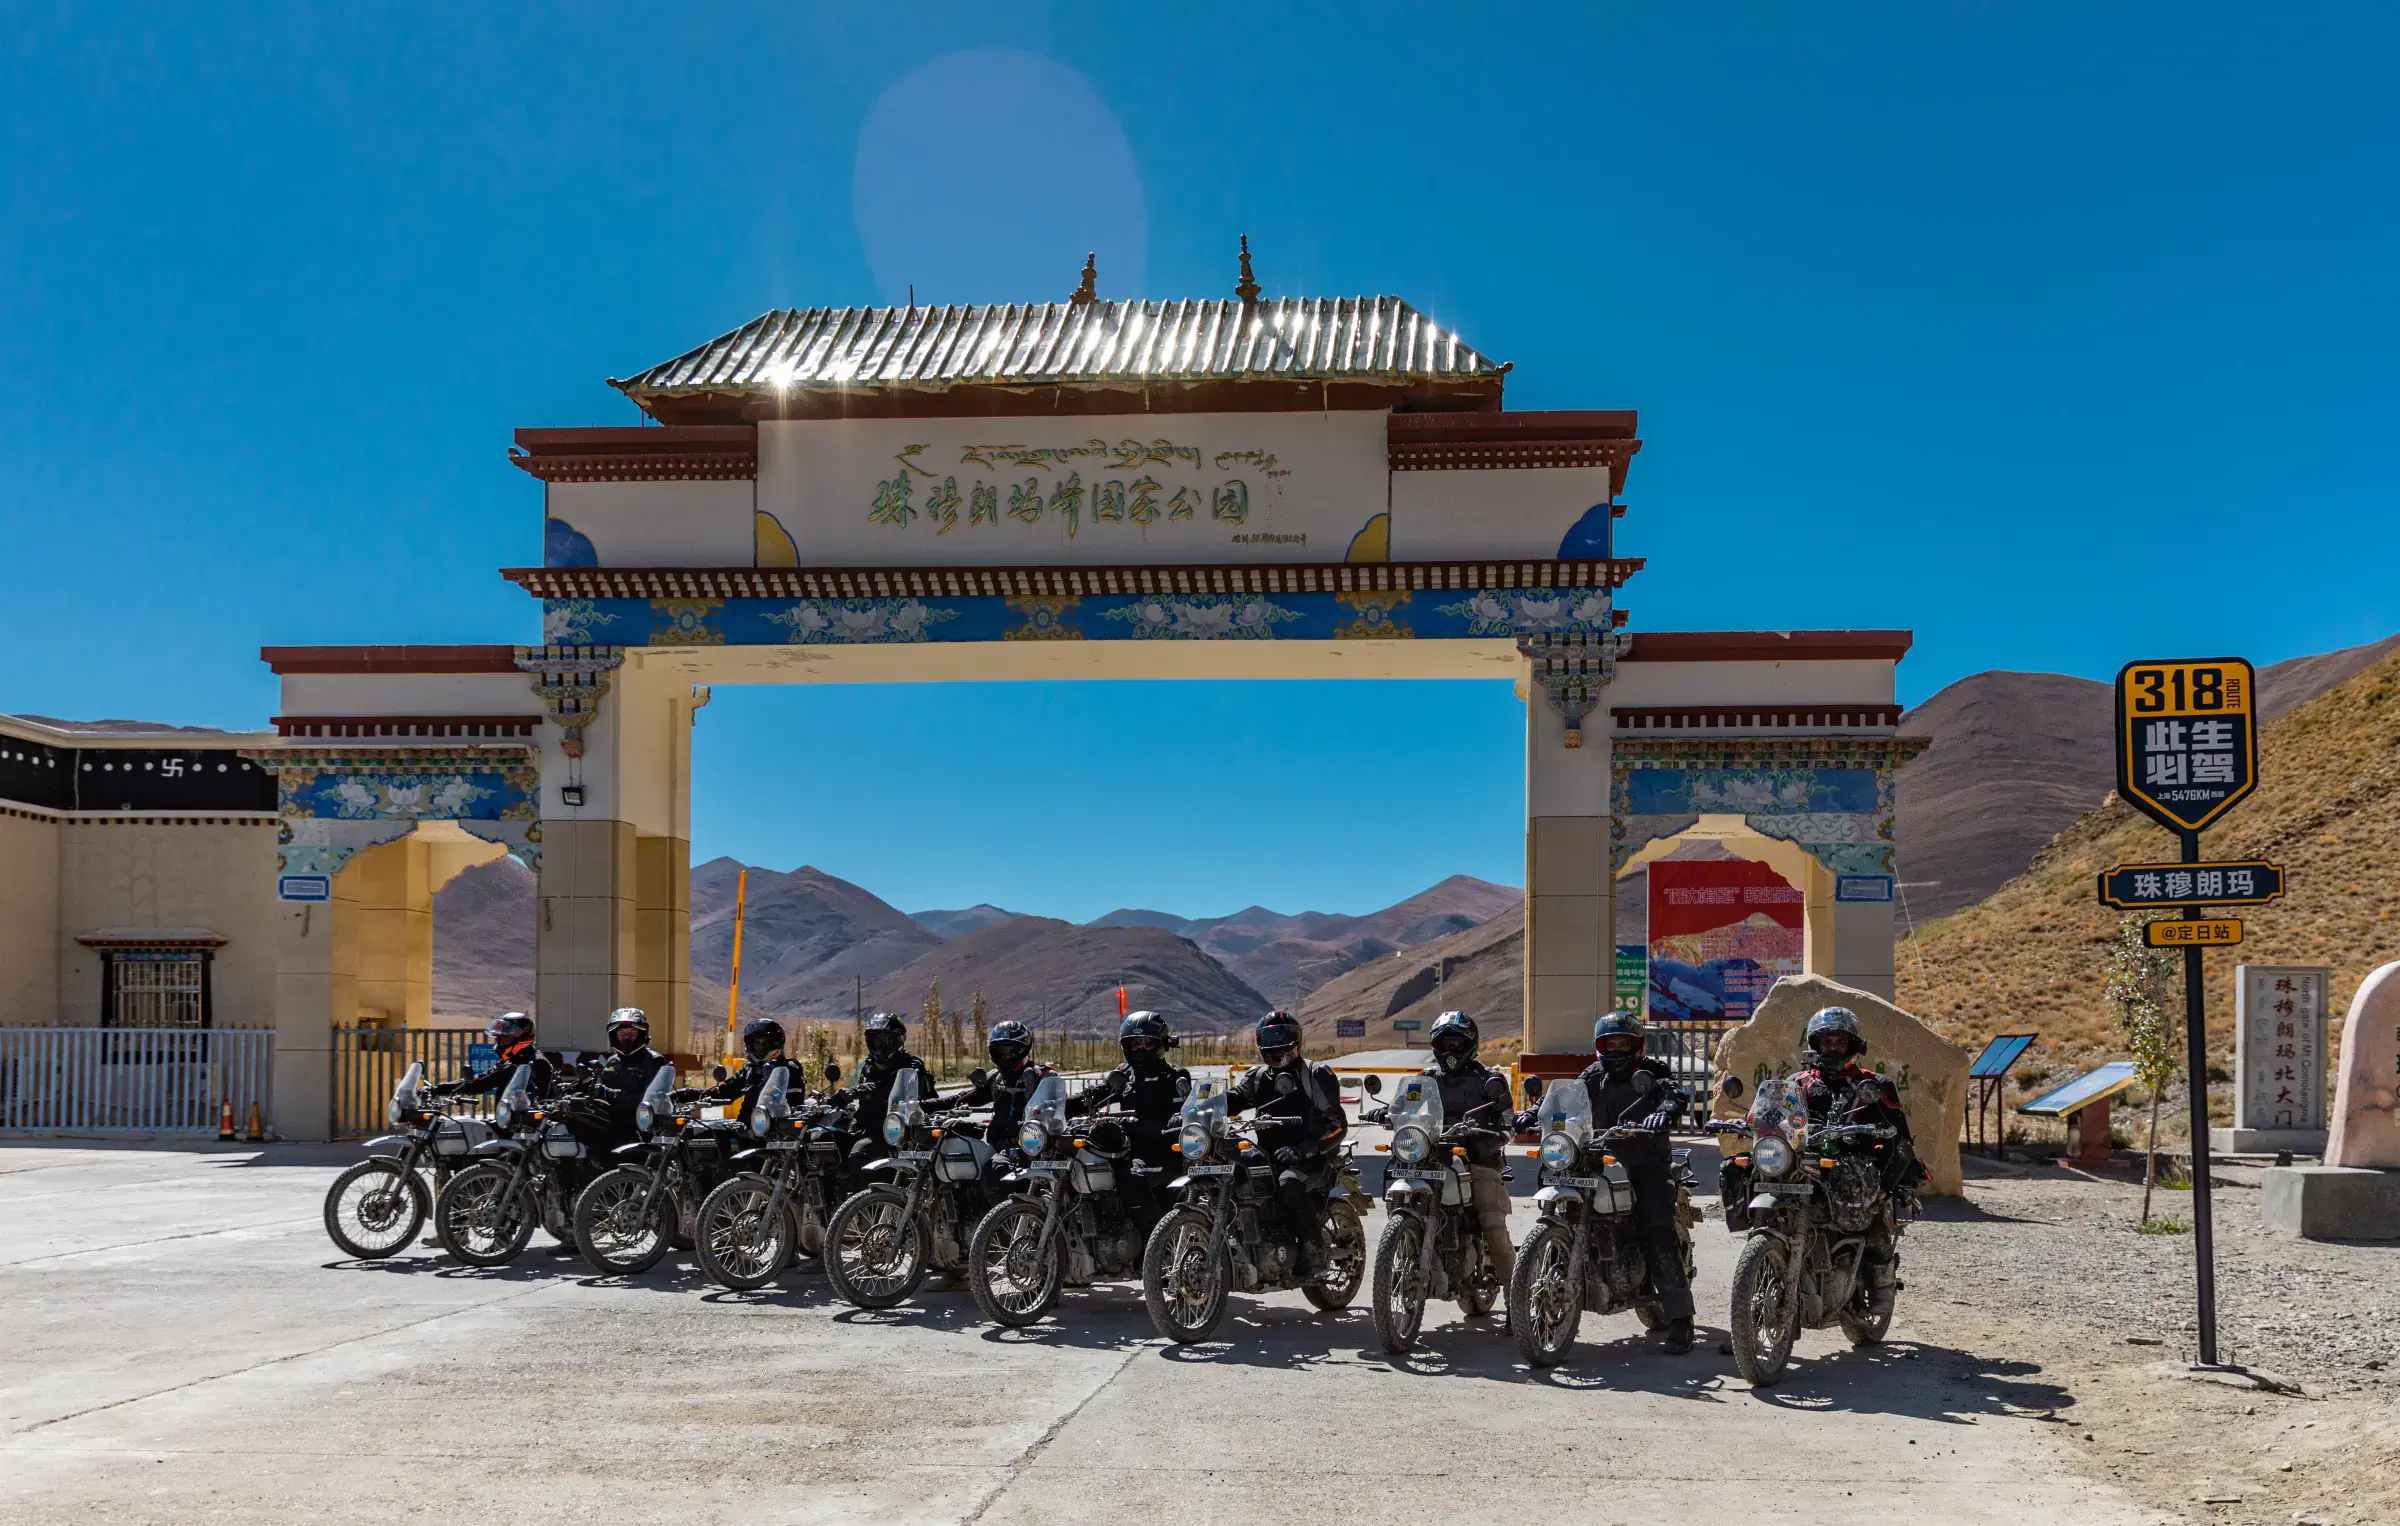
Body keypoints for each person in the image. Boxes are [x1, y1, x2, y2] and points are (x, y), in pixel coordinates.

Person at [1576, 1012, 1696, 1352]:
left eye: (1622, 1044)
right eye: (1610, 1044)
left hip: (1646, 1163)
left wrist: (1665, 1111)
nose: (1616, 1050)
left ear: (1637, 1045)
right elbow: (1569, 1096)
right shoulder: (1593, 1075)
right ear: (1600, 1047)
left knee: (1657, 1230)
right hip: (1600, 1161)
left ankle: (1681, 1321)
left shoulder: (1654, 1072)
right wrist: (1536, 1110)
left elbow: (1674, 1094)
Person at [1792, 1005, 1918, 1313]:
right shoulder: (1799, 1082)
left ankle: (1881, 1287)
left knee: (1869, 1220)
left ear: (1854, 1045)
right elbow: (1775, 1114)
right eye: (1827, 1042)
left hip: (1858, 1167)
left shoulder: (1874, 1085)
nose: (1833, 1048)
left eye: (1840, 1041)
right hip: (1805, 1164)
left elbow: (1899, 1139)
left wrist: (1884, 1186)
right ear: (1815, 1044)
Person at [1224, 1010, 1348, 1281]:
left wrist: (1305, 1149)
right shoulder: (1258, 1077)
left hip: (1313, 1158)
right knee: (1232, 1174)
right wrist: (1202, 1106)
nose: (1275, 1045)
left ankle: (1315, 1251)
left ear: (1295, 1040)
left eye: (1281, 1038)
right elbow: (1235, 1098)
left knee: (1288, 1183)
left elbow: (1338, 1125)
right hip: (1270, 1156)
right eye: (1269, 1039)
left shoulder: (1315, 1074)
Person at [1416, 1011, 1516, 1286]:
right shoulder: (1426, 1078)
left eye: (1457, 1043)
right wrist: (1388, 1113)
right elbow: (1406, 1104)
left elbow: (1508, 1118)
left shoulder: (1488, 1079)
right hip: (1434, 1156)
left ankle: (1516, 1296)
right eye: (1444, 1043)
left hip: (1478, 1159)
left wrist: (1488, 1140)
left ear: (1470, 1045)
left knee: (1493, 1226)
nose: (1450, 1050)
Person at [1065, 1010, 1191, 1221]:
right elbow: (1096, 1095)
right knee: (1085, 1168)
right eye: (1134, 1044)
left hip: (1162, 1151)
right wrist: (1061, 1105)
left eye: (1146, 1043)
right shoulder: (1124, 1073)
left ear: (1161, 1044)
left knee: (1132, 1179)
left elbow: (1181, 1117)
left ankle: (1155, 1237)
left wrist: (1138, 1124)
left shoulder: (1175, 1076)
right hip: (1124, 1150)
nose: (1139, 1049)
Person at [838, 1012, 941, 1172]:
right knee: (834, 1143)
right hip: (870, 1129)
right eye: (875, 1040)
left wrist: (865, 1089)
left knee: (860, 1154)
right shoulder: (868, 1067)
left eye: (884, 1040)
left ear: (897, 1040)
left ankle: (867, 1189)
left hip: (898, 1133)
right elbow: (864, 1106)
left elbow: (892, 1087)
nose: (880, 1045)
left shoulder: (912, 1066)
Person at [679, 1017, 802, 1130]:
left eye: (762, 1043)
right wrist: (685, 1094)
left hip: (772, 1134)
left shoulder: (789, 1069)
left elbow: (795, 1107)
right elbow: (724, 1091)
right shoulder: (749, 1069)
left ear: (775, 1043)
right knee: (699, 1133)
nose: (757, 1047)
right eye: (755, 1043)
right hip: (746, 1131)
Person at [588, 1007, 674, 1142]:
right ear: (614, 1035)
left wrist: (612, 1094)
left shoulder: (653, 1060)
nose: (626, 1037)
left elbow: (652, 1100)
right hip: (610, 1124)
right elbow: (600, 1090)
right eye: (622, 1033)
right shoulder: (612, 1061)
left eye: (632, 1032)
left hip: (639, 1126)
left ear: (641, 1034)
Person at [434, 1012, 556, 1101]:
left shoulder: (537, 1062)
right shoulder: (510, 1061)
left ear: (522, 1037)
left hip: (529, 1125)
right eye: (499, 1038)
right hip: (507, 1120)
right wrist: (437, 1089)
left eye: (504, 1037)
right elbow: (480, 1082)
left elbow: (545, 1100)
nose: (500, 1041)